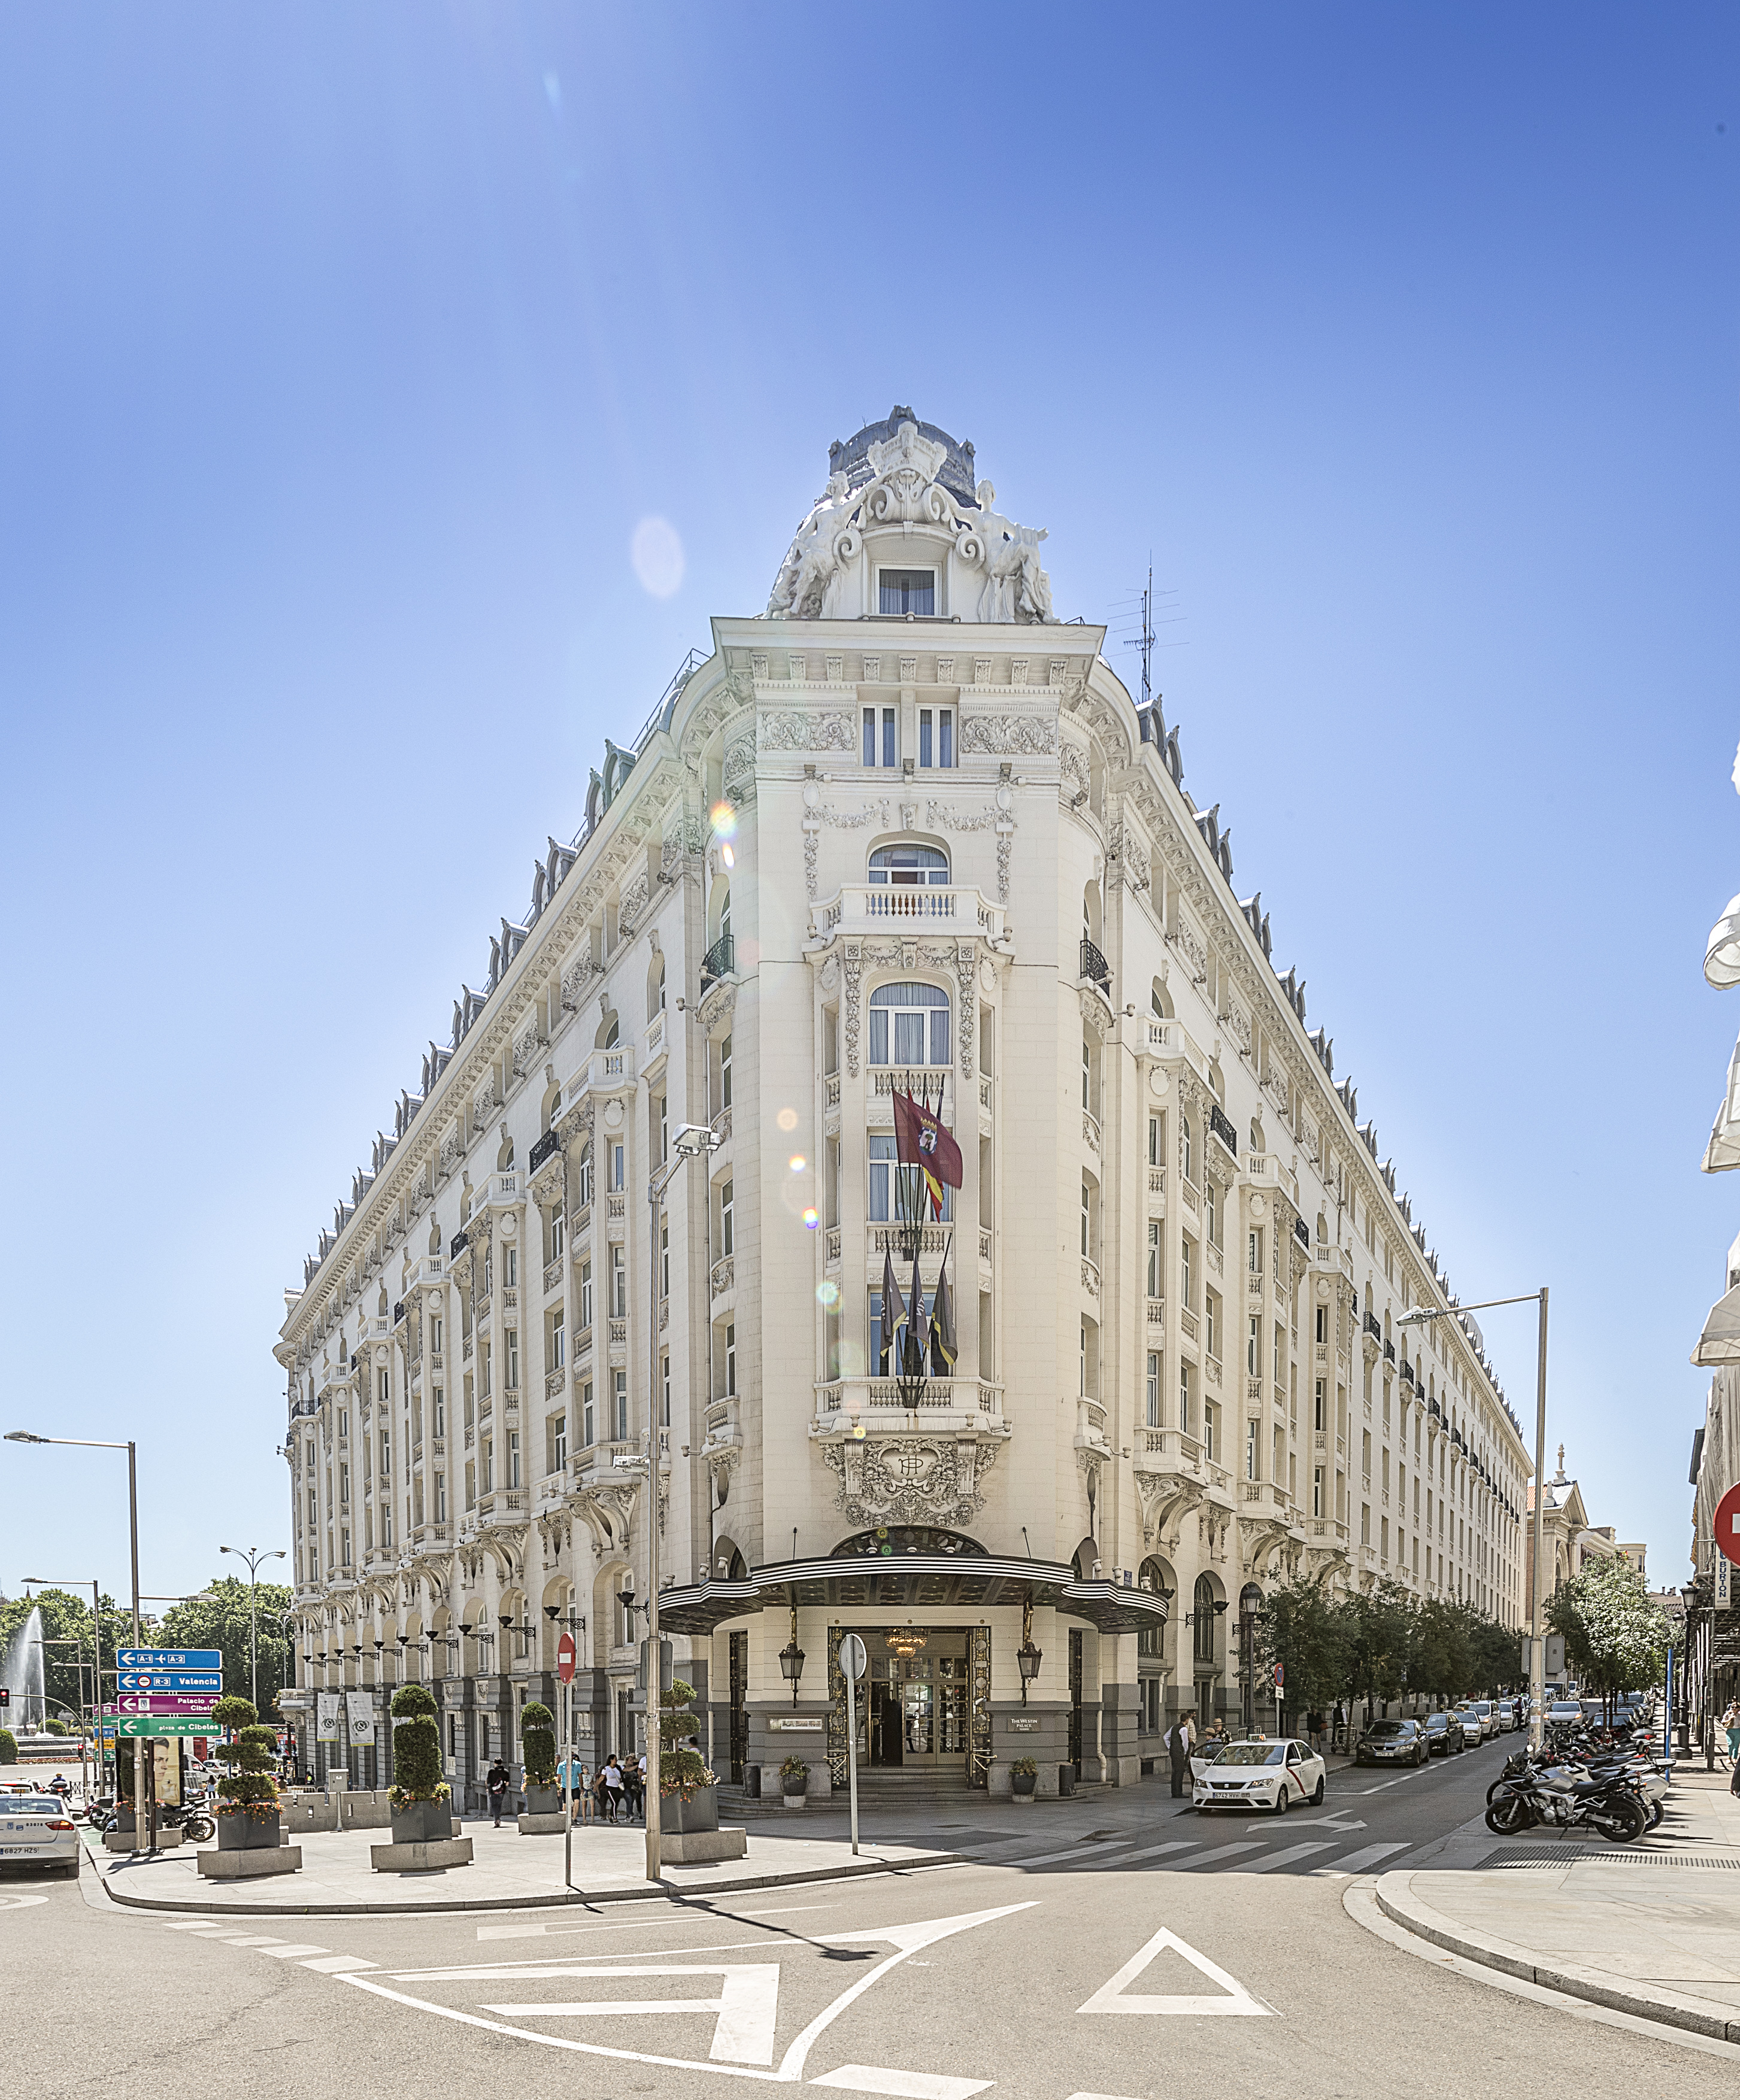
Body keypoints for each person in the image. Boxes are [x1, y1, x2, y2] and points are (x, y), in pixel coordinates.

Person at [1166, 1710, 1195, 1799]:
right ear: (1186, 1720)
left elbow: (1165, 1737)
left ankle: (1174, 1792)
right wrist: (1185, 1752)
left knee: (1175, 1772)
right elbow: (1185, 1742)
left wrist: (1169, 1746)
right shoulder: (1184, 1729)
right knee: (1180, 1772)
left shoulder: (1174, 1727)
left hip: (1173, 1751)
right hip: (1179, 1752)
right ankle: (1179, 1793)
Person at [486, 1757, 511, 1828]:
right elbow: (507, 1783)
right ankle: (498, 1818)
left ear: (495, 1763)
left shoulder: (491, 1771)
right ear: (501, 1763)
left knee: (494, 1805)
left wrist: (487, 1789)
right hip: (502, 1791)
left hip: (492, 1791)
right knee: (499, 1805)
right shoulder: (506, 1771)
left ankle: (497, 1819)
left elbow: (488, 1781)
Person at [602, 1755, 624, 1823]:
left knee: (617, 1803)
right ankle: (615, 1819)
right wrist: (596, 1786)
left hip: (617, 1788)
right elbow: (601, 1778)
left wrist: (637, 1766)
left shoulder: (619, 1768)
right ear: (611, 1760)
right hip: (609, 1788)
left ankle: (610, 1815)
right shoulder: (606, 1769)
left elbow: (627, 1769)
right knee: (614, 1803)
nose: (616, 1761)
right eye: (615, 1759)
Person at [1723, 1699, 1740, 1765]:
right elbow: (1723, 1722)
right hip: (1730, 1731)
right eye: (1733, 1707)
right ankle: (1729, 1757)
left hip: (1738, 1730)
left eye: (1736, 1707)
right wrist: (1729, 1719)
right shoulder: (1728, 1714)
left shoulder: (1739, 1715)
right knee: (1731, 1744)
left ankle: (1734, 1758)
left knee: (1736, 1745)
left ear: (1739, 1708)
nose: (1734, 1708)